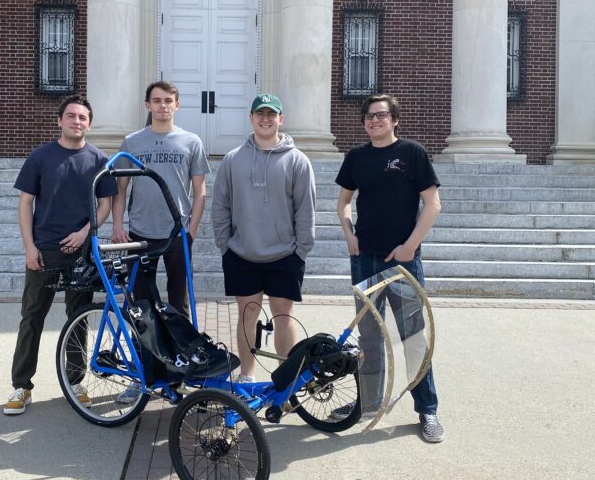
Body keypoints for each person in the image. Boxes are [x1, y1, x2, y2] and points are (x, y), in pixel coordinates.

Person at [336, 93, 444, 442]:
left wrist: (409, 247)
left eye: (381, 115)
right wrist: (348, 233)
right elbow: (343, 203)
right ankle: (367, 405)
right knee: (369, 337)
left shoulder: (412, 153)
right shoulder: (356, 157)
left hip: (404, 262)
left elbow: (432, 204)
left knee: (414, 337)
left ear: (394, 119)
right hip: (365, 259)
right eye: (369, 116)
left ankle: (427, 411)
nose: (374, 121)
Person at [3, 95, 117, 415]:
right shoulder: (41, 157)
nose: (76, 122)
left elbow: (105, 204)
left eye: (82, 118)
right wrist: (29, 246)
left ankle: (75, 381)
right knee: (32, 318)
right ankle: (21, 386)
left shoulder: (99, 160)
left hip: (81, 251)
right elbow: (26, 203)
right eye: (71, 116)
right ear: (59, 121)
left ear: (89, 124)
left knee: (78, 319)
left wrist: (85, 232)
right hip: (44, 251)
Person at [211, 93, 316, 381]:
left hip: (285, 256)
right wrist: (226, 246)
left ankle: (285, 380)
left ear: (281, 119)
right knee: (248, 315)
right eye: (261, 114)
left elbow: (305, 210)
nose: (266, 119)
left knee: (283, 317)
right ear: (251, 118)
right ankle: (247, 374)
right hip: (242, 254)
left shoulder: (298, 161)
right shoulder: (233, 160)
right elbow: (220, 207)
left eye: (272, 114)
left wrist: (300, 251)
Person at [111, 80, 210, 317]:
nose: (162, 106)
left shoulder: (191, 141)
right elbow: (120, 189)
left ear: (177, 105)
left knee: (179, 304)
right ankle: (148, 354)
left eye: (167, 101)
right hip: (140, 232)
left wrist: (192, 230)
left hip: (177, 233)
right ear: (148, 105)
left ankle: (181, 353)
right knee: (143, 306)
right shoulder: (131, 142)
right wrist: (117, 226)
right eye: (156, 101)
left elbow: (200, 191)